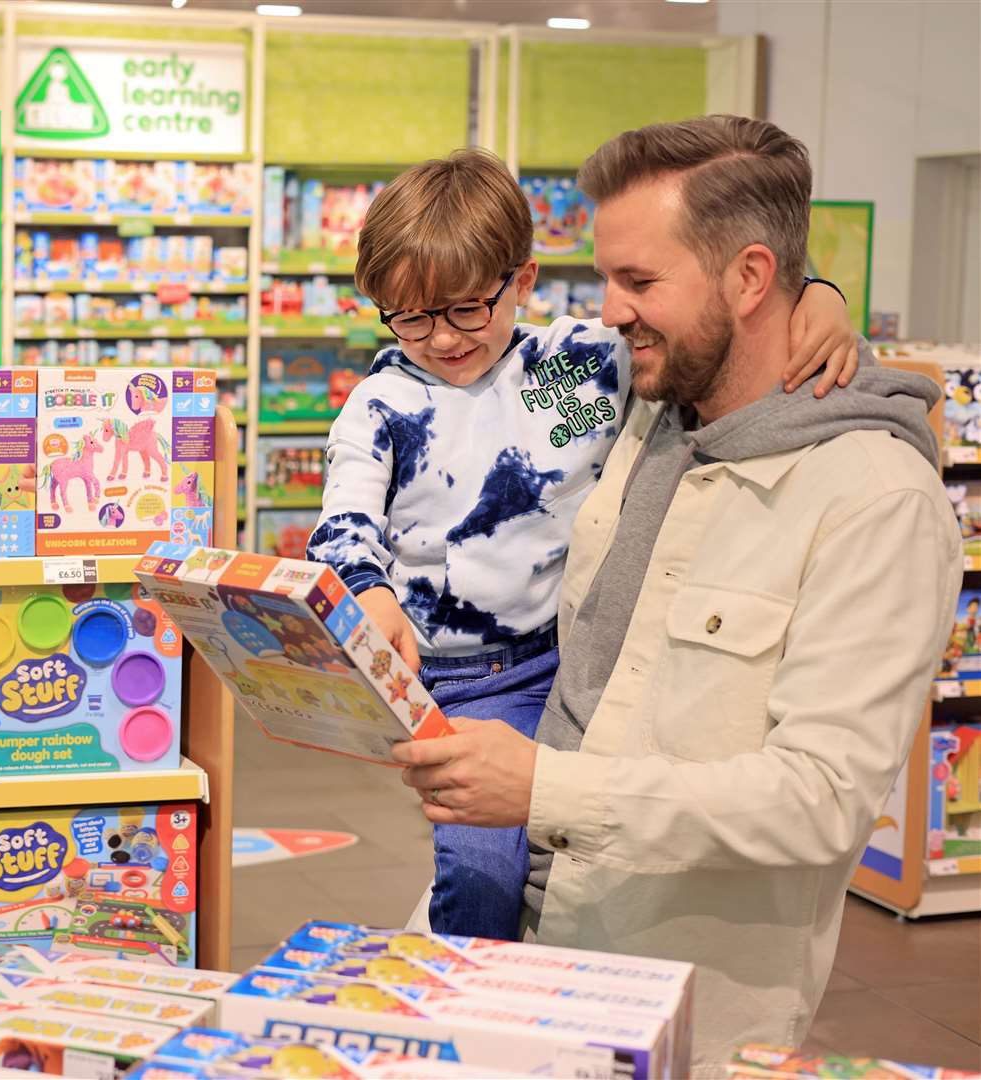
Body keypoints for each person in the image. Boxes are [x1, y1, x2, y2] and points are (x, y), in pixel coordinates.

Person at [390, 115, 962, 1072]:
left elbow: (821, 799)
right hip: (500, 931)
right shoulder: (643, 410)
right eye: (607, 279)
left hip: (663, 991)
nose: (609, 312)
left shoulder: (874, 502)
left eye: (639, 282)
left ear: (746, 278)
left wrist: (541, 788)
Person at [305, 148, 861, 941]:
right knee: (483, 864)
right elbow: (344, 522)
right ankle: (465, 989)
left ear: (521, 283)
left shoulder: (577, 363)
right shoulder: (380, 406)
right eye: (410, 317)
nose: (442, 337)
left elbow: (704, 333)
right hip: (457, 680)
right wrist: (368, 590)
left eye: (465, 308)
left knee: (587, 844)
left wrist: (820, 299)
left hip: (575, 655)